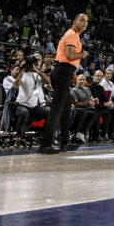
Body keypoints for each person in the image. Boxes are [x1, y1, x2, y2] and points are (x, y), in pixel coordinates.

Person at [43, 12, 87, 152]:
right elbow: (69, 55)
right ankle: (46, 144)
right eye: (82, 20)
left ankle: (64, 143)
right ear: (74, 21)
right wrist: (82, 55)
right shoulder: (72, 34)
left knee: (66, 108)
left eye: (86, 21)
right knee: (57, 109)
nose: (84, 23)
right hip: (63, 72)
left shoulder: (75, 35)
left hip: (64, 72)